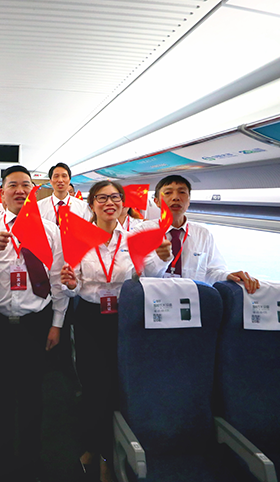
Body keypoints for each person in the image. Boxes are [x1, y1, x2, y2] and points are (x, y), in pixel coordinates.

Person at [0, 165, 66, 482]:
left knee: (34, 392)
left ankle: (32, 459)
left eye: (26, 185)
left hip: (36, 321)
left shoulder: (50, 230)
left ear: (33, 191)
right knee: (0, 392)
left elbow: (58, 280)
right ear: (1, 192)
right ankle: (0, 458)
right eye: (13, 185)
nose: (20, 190)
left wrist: (57, 323)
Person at [60, 182, 170, 482]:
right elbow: (71, 287)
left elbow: (148, 274)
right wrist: (70, 285)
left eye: (115, 197)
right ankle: (96, 449)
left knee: (118, 388)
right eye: (102, 198)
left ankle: (106, 453)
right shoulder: (78, 239)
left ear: (123, 203)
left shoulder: (132, 239)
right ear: (91, 204)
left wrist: (161, 257)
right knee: (94, 388)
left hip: (125, 320)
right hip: (90, 320)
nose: (110, 202)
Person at [140, 174, 260, 293]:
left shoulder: (203, 234)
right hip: (153, 298)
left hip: (192, 298)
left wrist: (229, 276)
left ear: (189, 201)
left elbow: (212, 272)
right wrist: (159, 260)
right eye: (168, 193)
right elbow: (136, 275)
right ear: (157, 202)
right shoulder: (142, 231)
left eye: (182, 192)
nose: (176, 197)